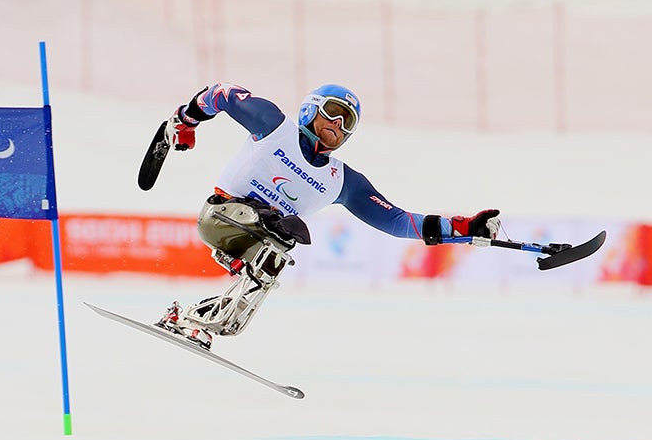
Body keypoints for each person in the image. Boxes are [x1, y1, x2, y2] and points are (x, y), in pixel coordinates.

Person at [153, 82, 501, 348]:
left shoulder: (341, 181)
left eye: (346, 121)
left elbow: (396, 221)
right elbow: (222, 94)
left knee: (260, 284)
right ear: (310, 110)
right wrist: (186, 119)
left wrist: (465, 229)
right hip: (222, 217)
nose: (337, 124)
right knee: (284, 230)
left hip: (262, 240)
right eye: (332, 112)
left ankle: (194, 319)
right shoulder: (275, 126)